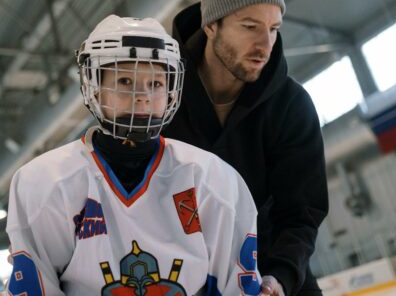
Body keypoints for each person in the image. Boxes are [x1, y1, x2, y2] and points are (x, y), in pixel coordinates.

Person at [6, 15, 262, 295]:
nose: (143, 95)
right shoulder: (45, 182)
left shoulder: (212, 180)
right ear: (94, 87)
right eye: (125, 80)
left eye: (155, 84)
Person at [163, 0, 329, 296]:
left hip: (273, 276)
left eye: (273, 28)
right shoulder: (161, 99)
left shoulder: (291, 106)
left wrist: (279, 276)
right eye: (250, 26)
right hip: (184, 279)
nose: (265, 44)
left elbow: (300, 213)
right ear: (211, 25)